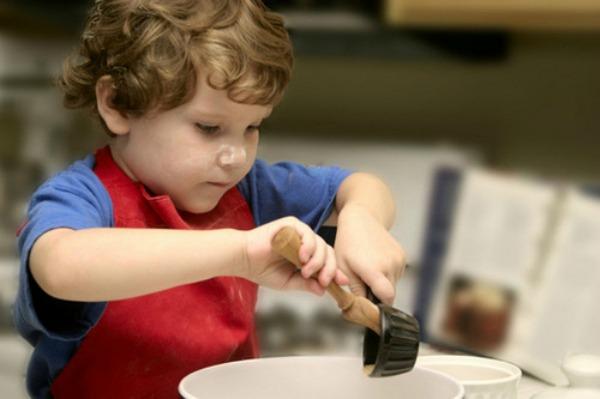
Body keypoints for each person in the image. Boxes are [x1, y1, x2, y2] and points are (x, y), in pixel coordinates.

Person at [14, 0, 406, 398]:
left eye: (252, 126)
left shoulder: (250, 188)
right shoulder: (82, 197)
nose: (236, 156)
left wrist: (363, 220)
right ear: (117, 104)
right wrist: (238, 253)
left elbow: (360, 186)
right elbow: (60, 266)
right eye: (208, 127)